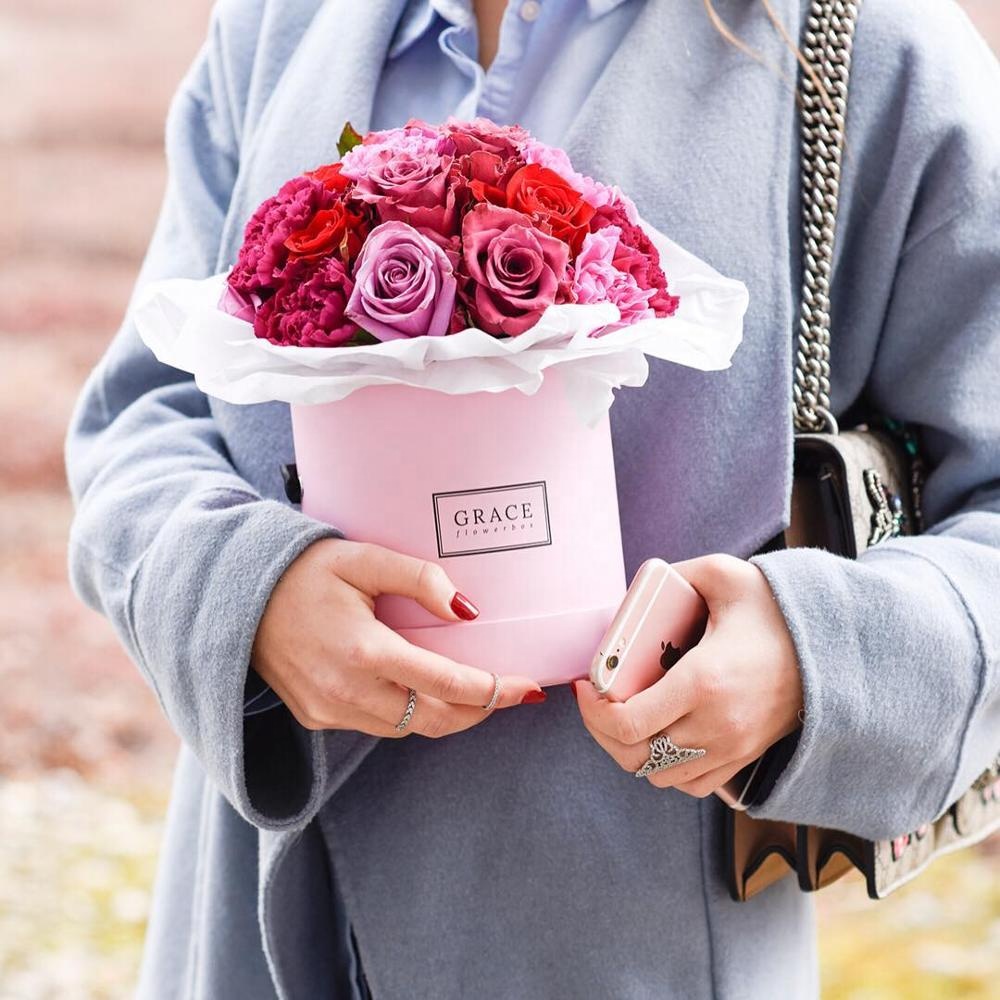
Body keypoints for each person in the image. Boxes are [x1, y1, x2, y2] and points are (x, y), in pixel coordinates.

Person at [65, 0, 1000, 997]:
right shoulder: (280, 24)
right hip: (260, 913)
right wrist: (247, 596)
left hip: (623, 929)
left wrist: (812, 658)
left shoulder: (863, 41)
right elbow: (146, 409)